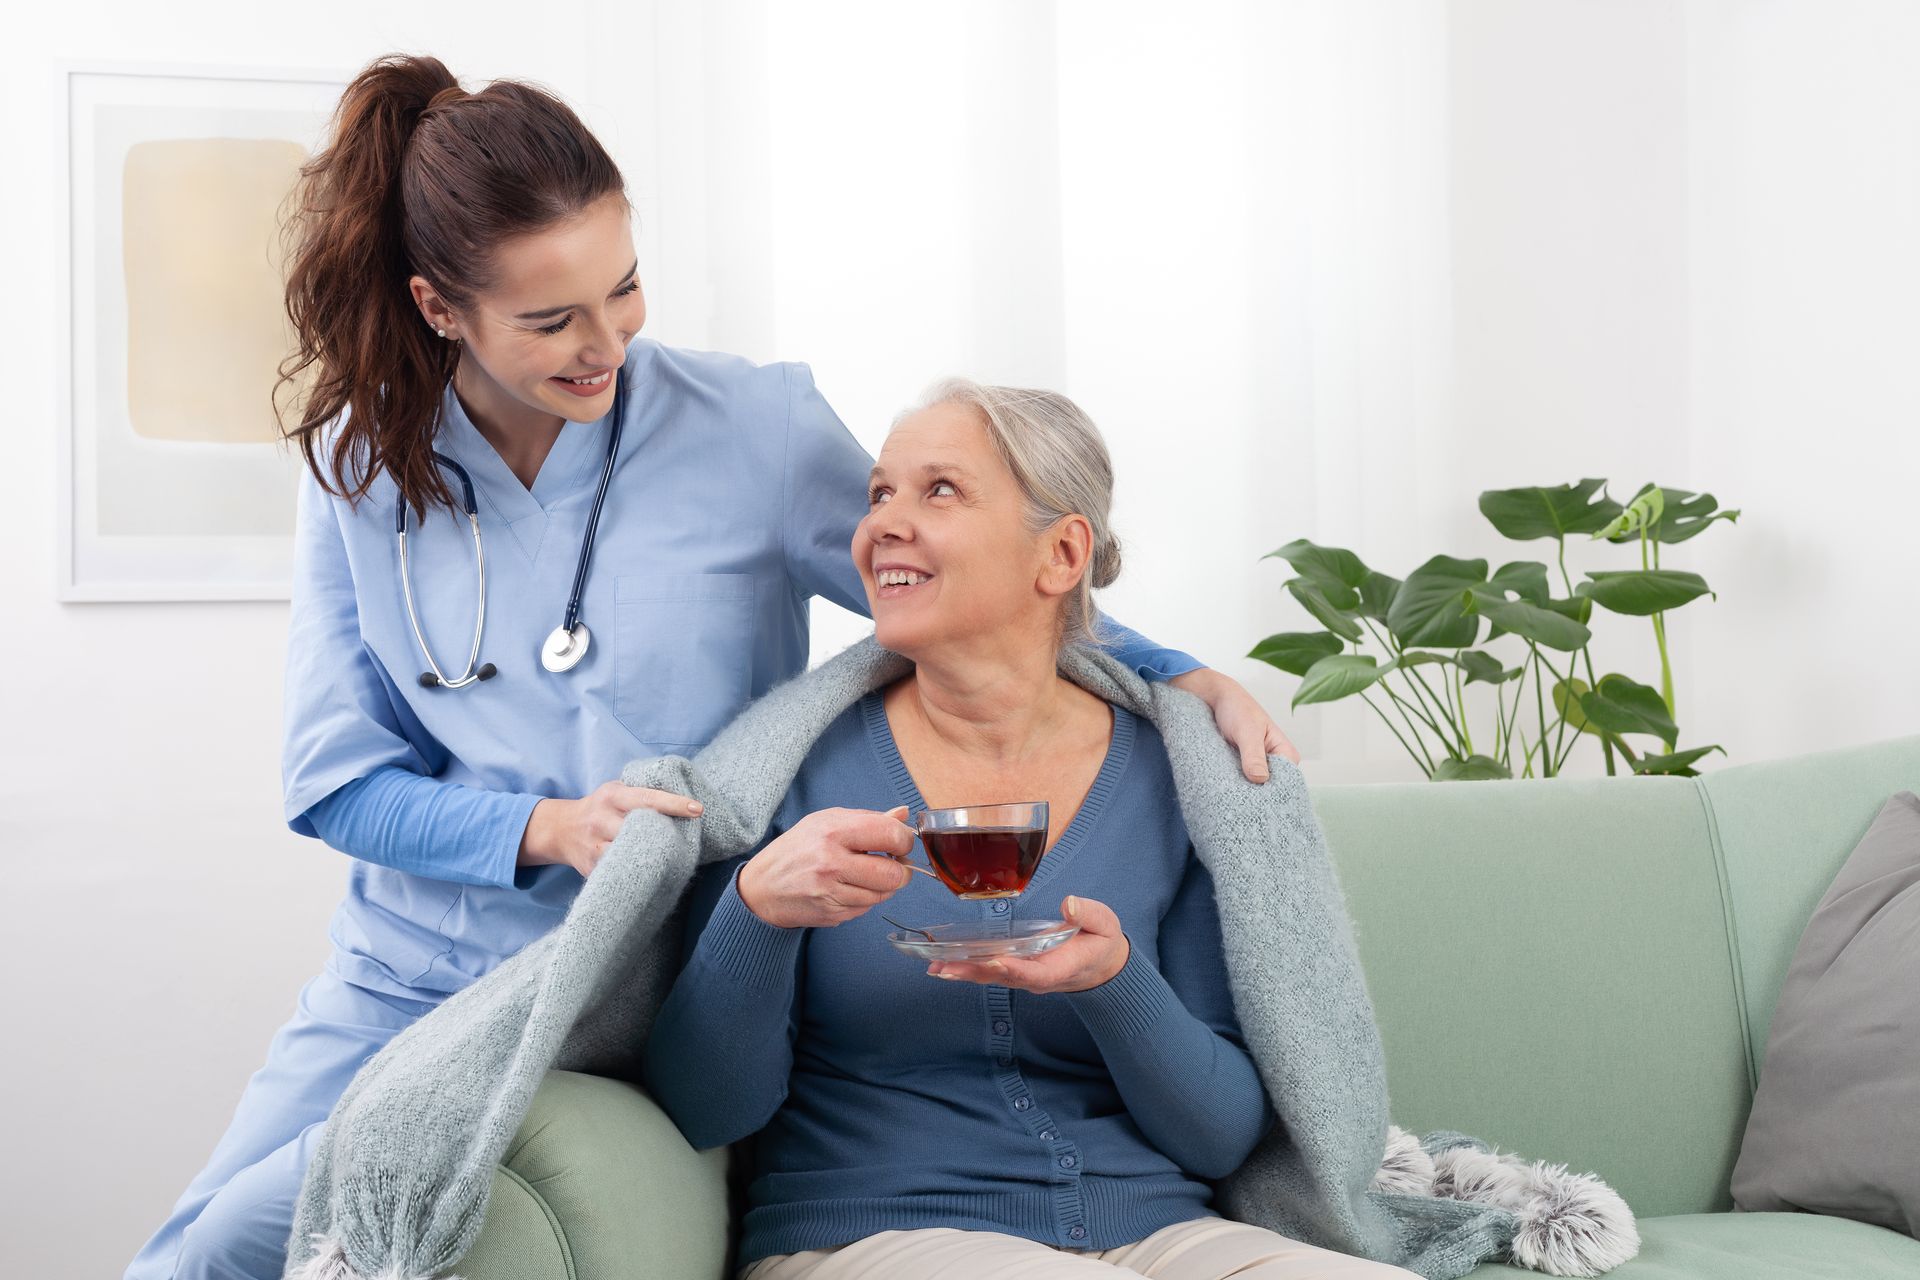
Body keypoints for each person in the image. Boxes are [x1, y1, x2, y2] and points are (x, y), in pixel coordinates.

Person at [124, 55, 1294, 1280]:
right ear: (438, 307)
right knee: (189, 1255)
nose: (606, 343)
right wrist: (554, 827)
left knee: (282, 1231)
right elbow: (336, 782)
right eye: (551, 319)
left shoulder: (754, 428)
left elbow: (976, 583)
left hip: (620, 976)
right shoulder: (362, 471)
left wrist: (1175, 672)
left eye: (624, 290)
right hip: (409, 968)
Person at [640, 380, 1416, 1279]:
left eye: (939, 490)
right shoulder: (787, 774)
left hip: (1159, 1231)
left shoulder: (1181, 780)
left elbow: (1217, 1137)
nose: (884, 521)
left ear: (1060, 554)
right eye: (879, 492)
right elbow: (707, 1110)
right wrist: (756, 909)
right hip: (872, 1230)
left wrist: (1115, 982)